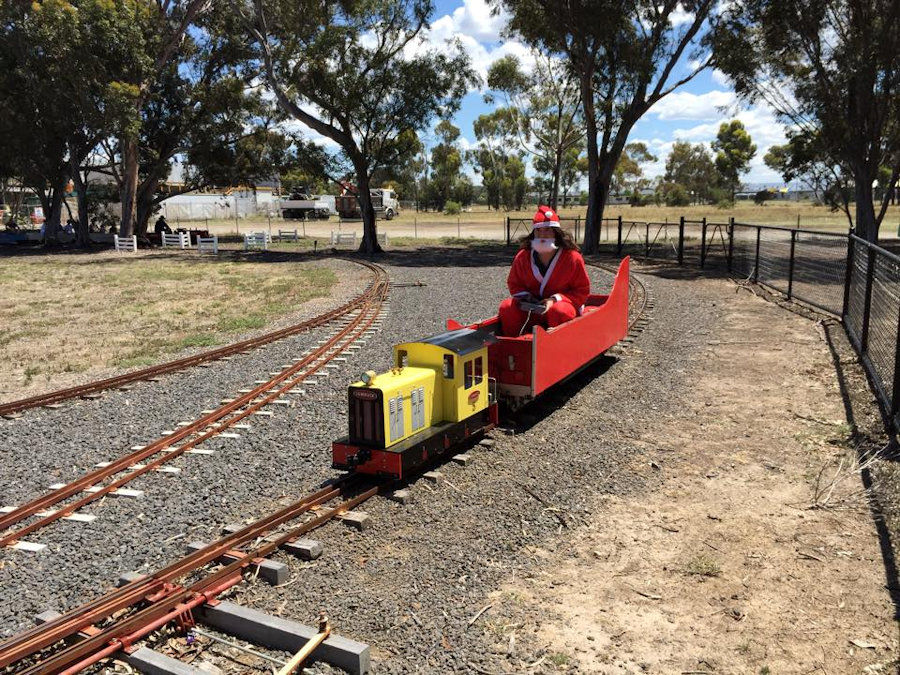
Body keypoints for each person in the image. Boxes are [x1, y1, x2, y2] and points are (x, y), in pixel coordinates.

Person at [498, 205, 590, 337]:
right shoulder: (523, 256)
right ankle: (514, 344)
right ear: (533, 233)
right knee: (506, 307)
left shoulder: (572, 258)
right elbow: (514, 283)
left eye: (547, 230)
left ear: (556, 233)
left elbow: (582, 290)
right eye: (538, 231)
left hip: (561, 308)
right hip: (532, 309)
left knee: (559, 311)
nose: (542, 235)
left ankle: (556, 346)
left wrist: (554, 299)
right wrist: (527, 298)